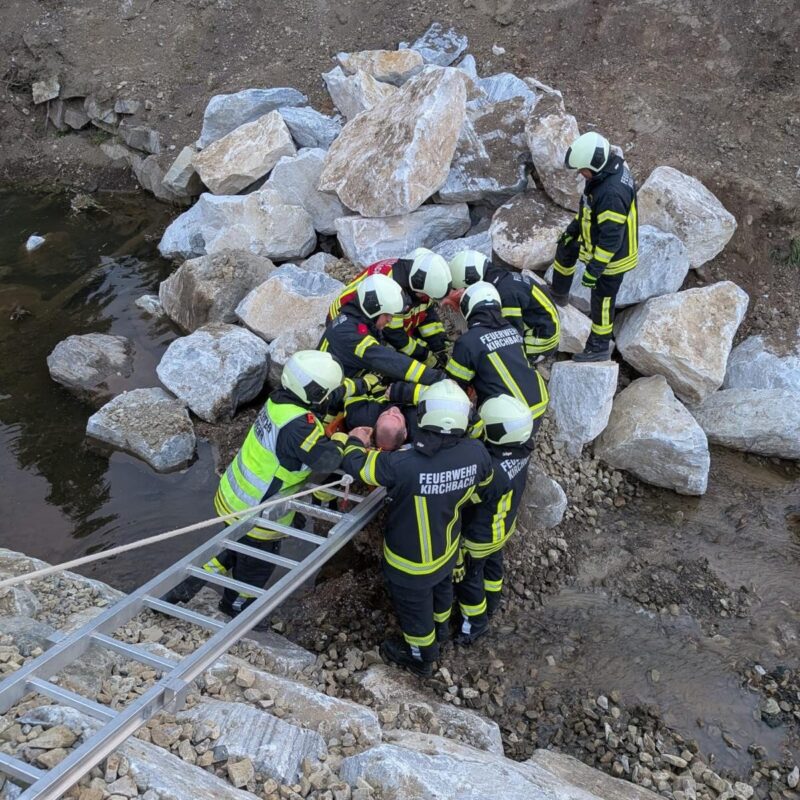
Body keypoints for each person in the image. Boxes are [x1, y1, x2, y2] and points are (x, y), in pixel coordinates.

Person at [165, 350, 351, 616]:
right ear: (314, 392)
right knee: (256, 568)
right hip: (258, 514)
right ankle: (236, 607)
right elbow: (327, 459)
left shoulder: (280, 403)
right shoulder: (300, 426)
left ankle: (183, 589)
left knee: (234, 548)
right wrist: (349, 439)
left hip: (234, 498)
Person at [341, 380, 493, 677]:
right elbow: (481, 492)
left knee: (414, 613)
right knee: (439, 593)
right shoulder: (477, 453)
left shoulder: (401, 464)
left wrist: (353, 440)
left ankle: (421, 656)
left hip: (408, 562)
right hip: (447, 547)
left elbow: (357, 465)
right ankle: (441, 630)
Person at [550, 131, 638, 362]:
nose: (580, 174)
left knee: (602, 299)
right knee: (565, 249)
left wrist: (595, 268)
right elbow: (591, 212)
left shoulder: (611, 193)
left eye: (582, 170)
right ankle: (559, 294)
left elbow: (612, 238)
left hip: (612, 258)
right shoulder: (603, 177)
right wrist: (573, 230)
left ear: (596, 165)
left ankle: (598, 345)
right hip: (595, 239)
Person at [454, 394, 534, 645]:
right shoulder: (524, 447)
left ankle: (474, 625)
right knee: (493, 566)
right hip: (503, 527)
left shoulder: (493, 473)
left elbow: (464, 499)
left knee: (470, 579)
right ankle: (493, 600)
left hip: (480, 535)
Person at [445, 282, 549, 443]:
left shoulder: (467, 342)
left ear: (468, 308)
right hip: (538, 405)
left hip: (511, 418)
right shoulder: (511, 329)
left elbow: (453, 386)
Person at [326, 249, 452, 367]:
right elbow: (394, 335)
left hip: (374, 318)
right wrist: (425, 356)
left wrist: (439, 346)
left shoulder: (413, 275)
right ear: (417, 285)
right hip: (346, 323)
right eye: (425, 295)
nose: (427, 298)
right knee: (386, 363)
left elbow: (426, 313)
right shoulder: (391, 291)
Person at [319, 273, 444, 387]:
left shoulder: (356, 321)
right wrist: (438, 378)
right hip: (330, 403)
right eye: (387, 315)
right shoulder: (350, 333)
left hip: (345, 384)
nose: (390, 320)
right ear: (373, 310)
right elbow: (388, 360)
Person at [448, 249, 560, 361]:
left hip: (542, 337)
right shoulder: (503, 279)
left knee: (496, 356)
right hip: (543, 326)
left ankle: (534, 358)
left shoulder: (504, 294)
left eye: (466, 288)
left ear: (472, 279)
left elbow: (512, 334)